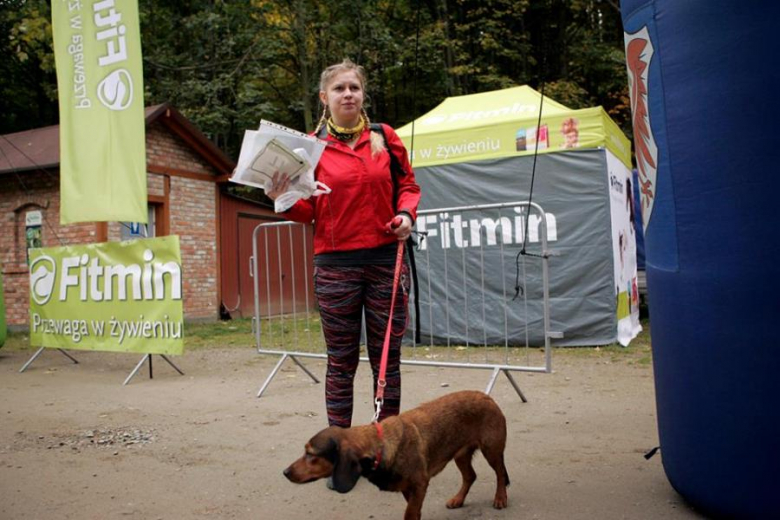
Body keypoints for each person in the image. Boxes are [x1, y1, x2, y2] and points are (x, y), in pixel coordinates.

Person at [266, 59, 421, 428]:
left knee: (387, 358)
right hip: (336, 269)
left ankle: (387, 444)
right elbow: (309, 211)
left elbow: (409, 187)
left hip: (386, 262)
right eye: (339, 88)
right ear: (325, 97)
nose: (347, 94)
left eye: (354, 87)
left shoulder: (387, 136)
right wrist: (283, 198)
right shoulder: (308, 148)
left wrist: (407, 215)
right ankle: (340, 445)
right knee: (341, 359)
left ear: (363, 93)